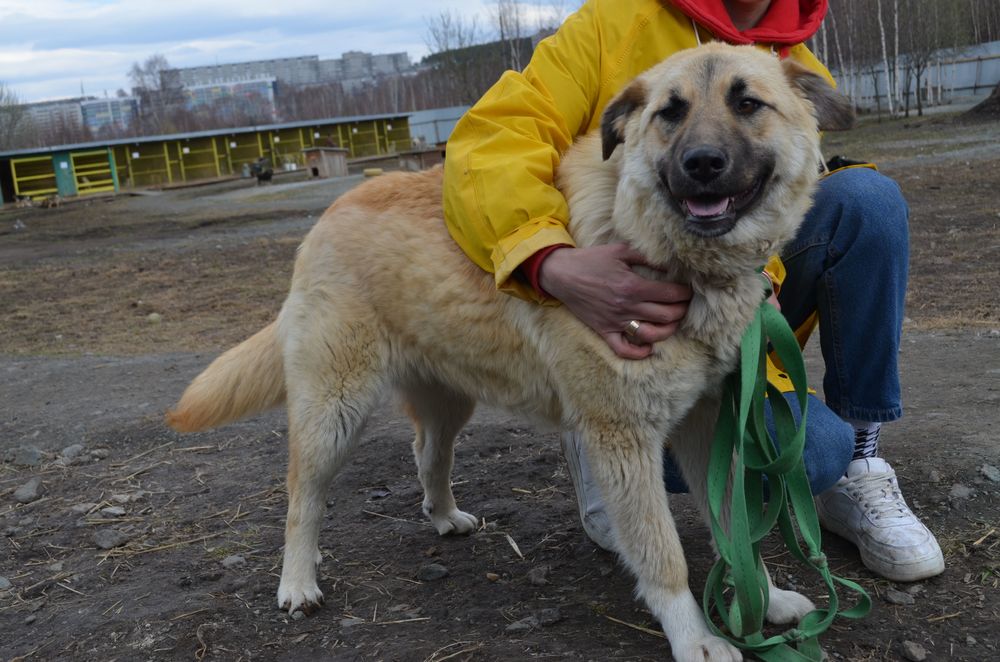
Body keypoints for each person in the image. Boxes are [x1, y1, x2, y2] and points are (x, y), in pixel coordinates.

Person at [442, 0, 944, 582]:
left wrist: (762, 276)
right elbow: (492, 141)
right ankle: (601, 427)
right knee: (779, 452)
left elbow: (783, 197)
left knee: (868, 204)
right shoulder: (610, 24)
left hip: (724, 293)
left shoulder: (794, 61)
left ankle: (861, 463)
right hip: (616, 287)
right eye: (674, 112)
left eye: (748, 106)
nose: (705, 146)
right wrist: (549, 261)